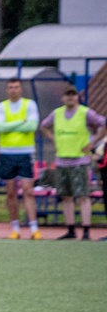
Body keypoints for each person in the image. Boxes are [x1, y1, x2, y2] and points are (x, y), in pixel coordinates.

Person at [39, 85, 106, 240]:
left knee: (83, 196)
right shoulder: (57, 113)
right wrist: (54, 139)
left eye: (73, 94)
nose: (70, 97)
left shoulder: (85, 112)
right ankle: (70, 229)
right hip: (62, 160)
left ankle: (86, 231)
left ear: (77, 97)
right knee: (66, 196)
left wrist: (93, 142)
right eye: (67, 95)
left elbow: (103, 123)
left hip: (79, 160)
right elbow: (44, 126)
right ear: (63, 98)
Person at [0, 79, 42, 239]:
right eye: (10, 87)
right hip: (6, 153)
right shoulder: (1, 107)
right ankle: (15, 228)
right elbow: (0, 128)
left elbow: (32, 126)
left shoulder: (30, 105)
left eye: (16, 87)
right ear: (7, 90)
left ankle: (34, 228)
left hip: (25, 152)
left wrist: (10, 126)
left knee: (28, 190)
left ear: (21, 89)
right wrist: (21, 122)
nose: (13, 90)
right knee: (10, 192)